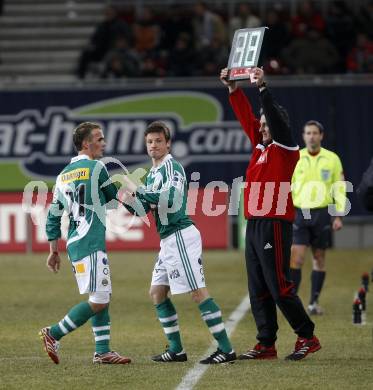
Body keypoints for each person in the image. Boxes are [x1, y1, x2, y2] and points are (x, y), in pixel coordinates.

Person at [220, 67, 320, 361]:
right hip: (254, 224)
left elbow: (272, 119)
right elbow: (246, 118)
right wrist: (234, 90)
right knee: (258, 287)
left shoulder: (286, 149)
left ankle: (307, 336)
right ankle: (266, 343)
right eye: (261, 126)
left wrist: (262, 88)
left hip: (275, 223)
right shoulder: (260, 148)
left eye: (266, 125)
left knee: (279, 285)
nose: (261, 128)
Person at [122, 121, 236, 364]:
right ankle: (176, 350)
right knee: (157, 293)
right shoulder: (153, 173)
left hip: (180, 236)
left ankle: (226, 349)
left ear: (168, 143)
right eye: (150, 142)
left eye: (158, 141)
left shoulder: (172, 167)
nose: (154, 146)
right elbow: (145, 208)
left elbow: (170, 198)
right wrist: (126, 200)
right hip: (168, 240)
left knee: (197, 292)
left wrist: (139, 191)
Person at [39, 122, 131, 365]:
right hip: (90, 241)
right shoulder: (96, 167)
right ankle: (54, 333)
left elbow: (54, 216)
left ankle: (102, 351)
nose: (104, 143)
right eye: (99, 139)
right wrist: (140, 197)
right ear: (86, 144)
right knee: (99, 299)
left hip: (75, 243)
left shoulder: (62, 176)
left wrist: (53, 250)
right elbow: (114, 197)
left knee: (101, 294)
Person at [290, 121, 345, 315]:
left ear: (321, 135)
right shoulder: (296, 157)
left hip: (321, 214)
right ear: (303, 136)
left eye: (315, 133)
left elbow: (339, 188)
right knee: (296, 258)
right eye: (308, 133)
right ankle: (293, 304)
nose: (311, 136)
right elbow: (287, 185)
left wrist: (338, 215)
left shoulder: (332, 159)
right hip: (299, 213)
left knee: (319, 258)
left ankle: (313, 302)